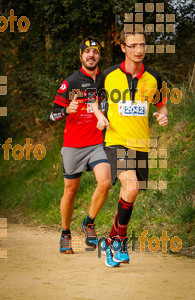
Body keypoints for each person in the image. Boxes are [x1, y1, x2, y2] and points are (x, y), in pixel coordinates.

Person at [92, 29, 168, 267]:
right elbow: (94, 101)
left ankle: (110, 240)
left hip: (141, 143)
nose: (138, 50)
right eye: (133, 45)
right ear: (123, 48)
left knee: (129, 194)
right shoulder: (107, 75)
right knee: (132, 188)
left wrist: (162, 116)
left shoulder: (155, 77)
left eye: (142, 45)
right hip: (116, 141)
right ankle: (120, 240)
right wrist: (99, 117)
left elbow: (161, 105)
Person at [50, 36, 111, 255]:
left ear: (99, 56)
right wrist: (67, 110)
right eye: (87, 52)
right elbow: (52, 115)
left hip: (96, 144)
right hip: (73, 146)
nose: (91, 55)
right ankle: (65, 233)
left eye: (95, 52)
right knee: (71, 191)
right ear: (81, 56)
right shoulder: (71, 82)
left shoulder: (106, 80)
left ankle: (89, 222)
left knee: (105, 182)